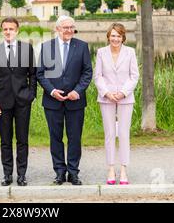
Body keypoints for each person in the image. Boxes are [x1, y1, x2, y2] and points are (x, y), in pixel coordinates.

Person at [37, 15, 93, 185]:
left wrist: (78, 90)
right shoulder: (46, 47)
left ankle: (73, 172)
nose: (69, 30)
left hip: (75, 101)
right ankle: (60, 172)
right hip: (52, 101)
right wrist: (52, 91)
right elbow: (40, 73)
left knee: (74, 137)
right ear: (57, 29)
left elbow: (87, 72)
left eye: (71, 27)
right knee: (56, 138)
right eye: (65, 27)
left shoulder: (82, 46)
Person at [0, 17, 37, 186]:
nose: (8, 32)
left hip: (23, 102)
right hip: (2, 103)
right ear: (2, 31)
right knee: (5, 141)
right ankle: (7, 174)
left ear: (17, 30)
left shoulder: (27, 49)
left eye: (11, 29)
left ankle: (21, 174)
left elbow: (33, 75)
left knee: (22, 140)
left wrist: (31, 95)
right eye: (5, 29)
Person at [94, 23, 139, 185]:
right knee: (110, 134)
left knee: (124, 134)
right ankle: (111, 169)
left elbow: (134, 76)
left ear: (123, 37)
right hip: (106, 98)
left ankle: (124, 170)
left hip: (125, 98)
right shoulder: (101, 53)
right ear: (108, 37)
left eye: (118, 36)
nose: (115, 39)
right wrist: (107, 93)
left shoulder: (130, 52)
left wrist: (123, 93)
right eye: (112, 35)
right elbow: (98, 76)